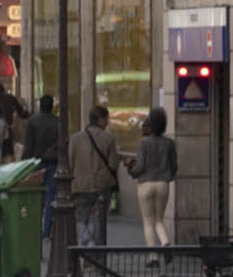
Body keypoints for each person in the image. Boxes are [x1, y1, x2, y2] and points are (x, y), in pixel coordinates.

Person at [67, 104, 121, 248]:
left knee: (80, 219)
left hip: (80, 185)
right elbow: (114, 164)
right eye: (106, 119)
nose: (107, 122)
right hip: (102, 185)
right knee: (99, 221)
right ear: (100, 119)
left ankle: (86, 240)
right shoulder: (108, 139)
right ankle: (97, 255)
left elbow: (69, 163)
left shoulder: (75, 138)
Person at [129, 106, 178, 248]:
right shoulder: (169, 143)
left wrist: (132, 171)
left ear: (150, 125)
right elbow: (174, 166)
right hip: (163, 183)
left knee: (148, 222)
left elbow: (140, 167)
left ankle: (153, 258)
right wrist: (169, 176)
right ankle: (165, 242)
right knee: (159, 220)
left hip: (145, 184)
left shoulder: (143, 143)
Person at [24, 94, 63, 237]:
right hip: (52, 161)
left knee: (35, 195)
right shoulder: (57, 122)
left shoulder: (33, 121)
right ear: (52, 106)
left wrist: (24, 164)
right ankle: (46, 229)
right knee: (50, 197)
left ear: (40, 105)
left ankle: (34, 226)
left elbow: (28, 145)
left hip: (36, 162)